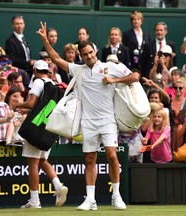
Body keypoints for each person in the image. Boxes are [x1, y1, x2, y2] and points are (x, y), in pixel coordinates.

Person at [37, 21, 139, 210]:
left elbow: (135, 76)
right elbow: (57, 59)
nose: (89, 56)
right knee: (90, 159)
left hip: (108, 120)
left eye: (91, 52)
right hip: (88, 122)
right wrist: (45, 40)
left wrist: (114, 80)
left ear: (95, 51)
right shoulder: (79, 70)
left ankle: (116, 196)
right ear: (81, 56)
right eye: (85, 55)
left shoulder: (110, 66)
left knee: (112, 156)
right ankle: (90, 200)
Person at [16, 60, 68, 209]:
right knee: (42, 161)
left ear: (34, 70)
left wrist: (17, 105)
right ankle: (58, 186)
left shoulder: (38, 82)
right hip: (48, 129)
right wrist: (26, 111)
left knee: (32, 164)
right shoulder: (54, 84)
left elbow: (31, 103)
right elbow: (41, 108)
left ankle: (34, 201)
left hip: (35, 129)